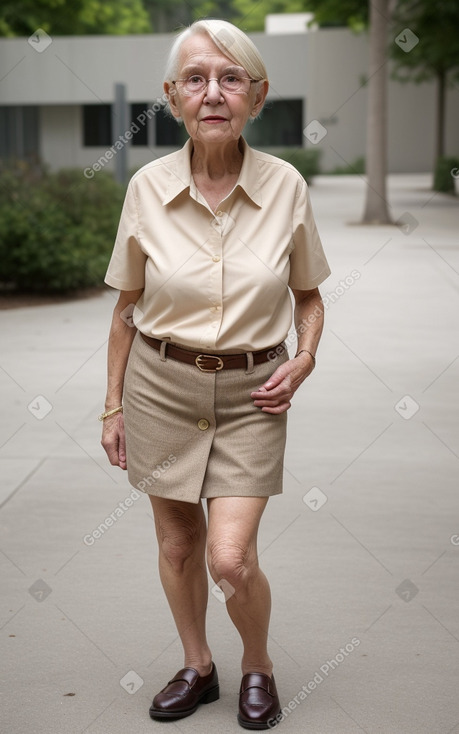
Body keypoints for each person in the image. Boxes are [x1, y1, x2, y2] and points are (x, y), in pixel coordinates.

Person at [100, 18, 330, 730]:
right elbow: (125, 310)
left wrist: (303, 357)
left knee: (230, 558)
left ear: (256, 97)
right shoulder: (145, 188)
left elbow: (309, 296)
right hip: (159, 386)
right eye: (196, 78)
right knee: (177, 544)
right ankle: (199, 666)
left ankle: (255, 664)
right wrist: (112, 406)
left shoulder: (286, 185)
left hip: (252, 394)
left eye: (231, 78)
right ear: (171, 97)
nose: (213, 93)